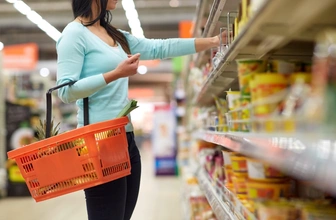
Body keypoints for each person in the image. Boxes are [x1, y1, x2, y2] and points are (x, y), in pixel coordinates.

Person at [56, 0, 228, 219]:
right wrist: (115, 74)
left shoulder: (114, 35)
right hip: (98, 144)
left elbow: (159, 47)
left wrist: (213, 41)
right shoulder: (73, 34)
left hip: (125, 139)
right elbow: (66, 92)